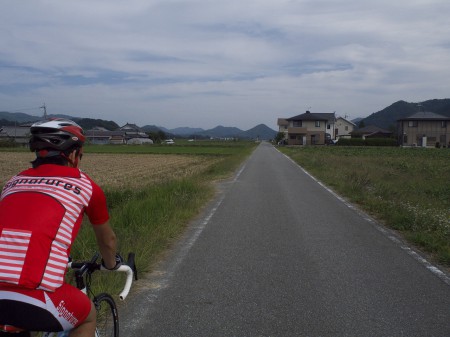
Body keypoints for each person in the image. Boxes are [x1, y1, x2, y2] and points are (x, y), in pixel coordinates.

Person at [0, 119, 121, 337]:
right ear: (74, 155)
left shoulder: (12, 182)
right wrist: (111, 265)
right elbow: (108, 241)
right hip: (35, 296)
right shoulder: (86, 186)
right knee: (88, 316)